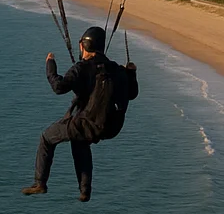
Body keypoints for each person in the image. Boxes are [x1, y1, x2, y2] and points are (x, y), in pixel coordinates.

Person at [22, 26, 138, 202]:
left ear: (84, 45)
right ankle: (85, 191)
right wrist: (132, 73)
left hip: (88, 124)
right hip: (112, 127)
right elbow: (132, 94)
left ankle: (40, 183)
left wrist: (50, 65)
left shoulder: (82, 67)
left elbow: (58, 87)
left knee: (47, 137)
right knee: (79, 142)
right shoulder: (117, 69)